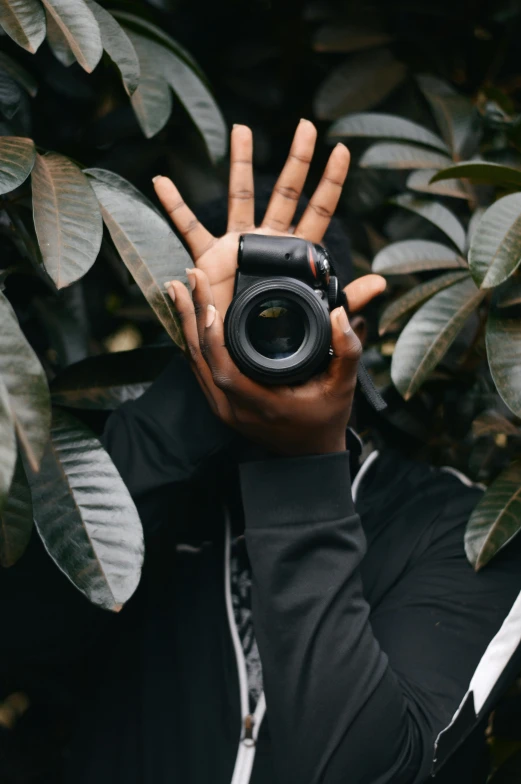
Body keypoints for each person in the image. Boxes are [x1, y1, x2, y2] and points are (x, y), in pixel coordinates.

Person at [2, 121, 521, 784]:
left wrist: (303, 468)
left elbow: (366, 774)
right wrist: (177, 415)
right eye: (236, 315)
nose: (264, 329)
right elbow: (18, 635)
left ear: (352, 330)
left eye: (291, 308)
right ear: (184, 333)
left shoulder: (462, 531)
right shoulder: (127, 505)